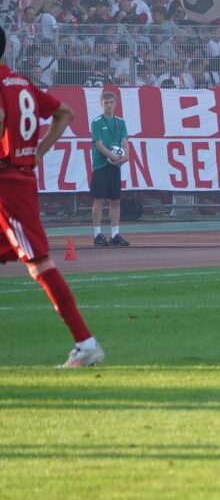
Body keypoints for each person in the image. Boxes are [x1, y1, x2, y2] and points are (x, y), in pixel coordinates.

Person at [0, 26, 105, 367]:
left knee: (39, 262)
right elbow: (65, 114)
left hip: (7, 183)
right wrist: (37, 153)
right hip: (19, 175)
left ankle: (86, 343)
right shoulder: (19, 83)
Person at [89, 89, 132, 247]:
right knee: (99, 200)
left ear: (115, 104)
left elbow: (125, 141)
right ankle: (97, 234)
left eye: (111, 102)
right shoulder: (96, 122)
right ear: (101, 104)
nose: (108, 105)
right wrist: (113, 157)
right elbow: (99, 144)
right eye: (105, 103)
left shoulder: (120, 122)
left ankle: (115, 234)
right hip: (101, 165)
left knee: (115, 200)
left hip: (115, 166)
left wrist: (126, 157)